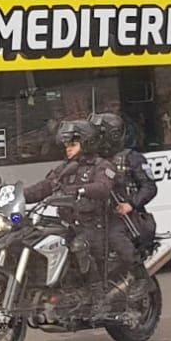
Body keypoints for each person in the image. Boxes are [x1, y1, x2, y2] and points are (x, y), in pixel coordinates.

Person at [21, 119, 129, 301]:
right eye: (66, 144)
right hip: (69, 224)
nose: (68, 148)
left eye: (73, 144)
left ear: (87, 143)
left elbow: (104, 187)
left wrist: (81, 190)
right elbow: (45, 187)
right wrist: (19, 195)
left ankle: (98, 297)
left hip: (93, 226)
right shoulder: (65, 168)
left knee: (79, 246)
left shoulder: (101, 165)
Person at [89, 111, 159, 259]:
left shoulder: (132, 158)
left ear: (112, 135)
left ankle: (138, 274)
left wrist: (131, 204)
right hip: (99, 218)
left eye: (98, 135)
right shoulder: (93, 160)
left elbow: (149, 187)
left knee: (121, 246)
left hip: (126, 219)